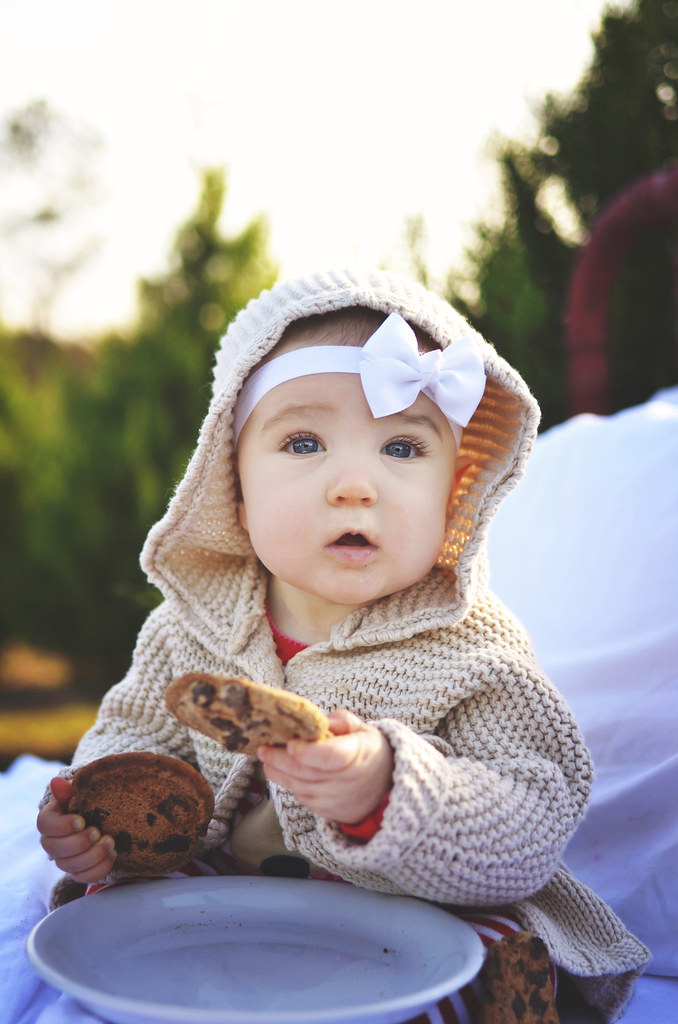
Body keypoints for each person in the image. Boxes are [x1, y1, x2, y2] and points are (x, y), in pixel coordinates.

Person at [37, 269, 649, 1023]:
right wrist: (93, 822)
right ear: (233, 487)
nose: (355, 484)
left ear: (456, 492)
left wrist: (386, 790)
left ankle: (496, 998)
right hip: (230, 890)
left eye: (402, 447)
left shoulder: (472, 648)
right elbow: (134, 734)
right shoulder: (189, 626)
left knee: (489, 940)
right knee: (112, 917)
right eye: (304, 442)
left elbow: (533, 812)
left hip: (409, 906)